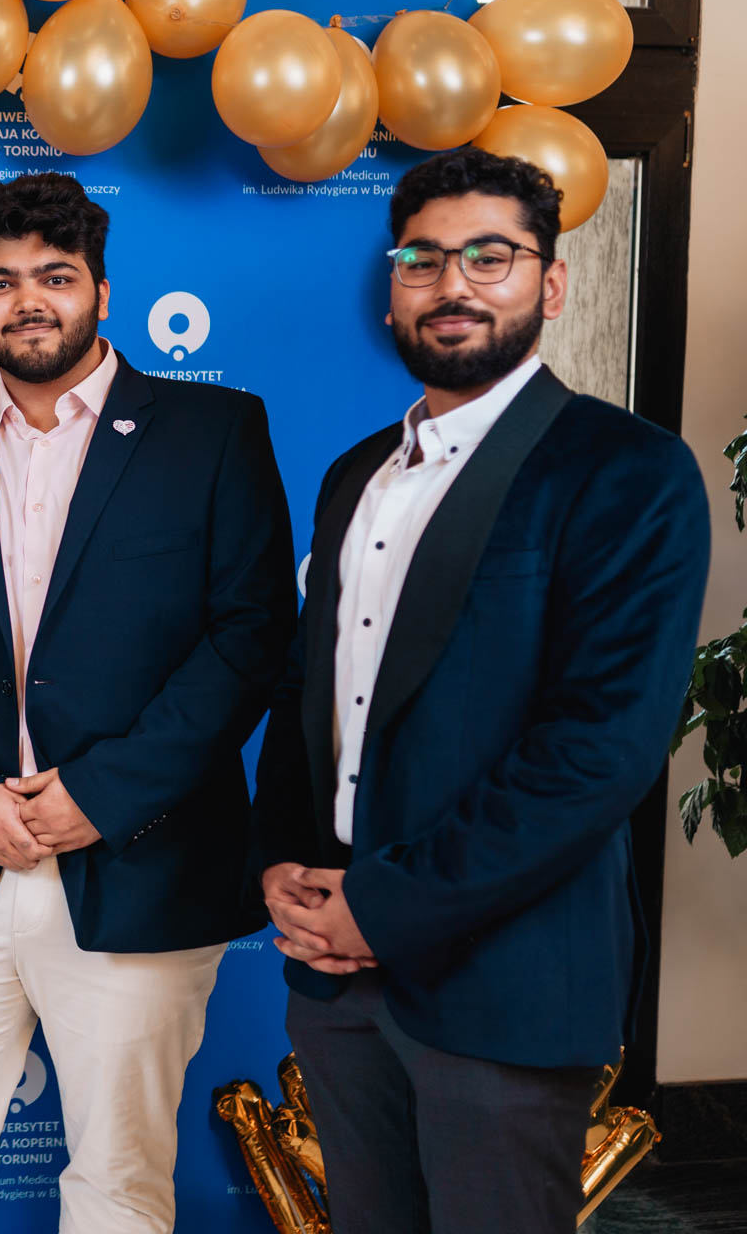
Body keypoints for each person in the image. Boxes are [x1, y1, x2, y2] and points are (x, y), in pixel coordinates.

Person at [252, 146, 711, 1233]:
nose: (452, 283)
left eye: (490, 256)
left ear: (551, 285)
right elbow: (312, 690)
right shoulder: (355, 474)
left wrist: (384, 907)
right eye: (422, 259)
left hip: (504, 979)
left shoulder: (628, 471)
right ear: (393, 288)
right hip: (336, 977)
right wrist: (280, 858)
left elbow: (598, 749)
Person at [0, 171, 296, 1232]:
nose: (27, 300)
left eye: (55, 275)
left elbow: (250, 635)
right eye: (0, 282)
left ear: (101, 290)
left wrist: (102, 793)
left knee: (120, 1187)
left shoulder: (213, 431)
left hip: (139, 865)